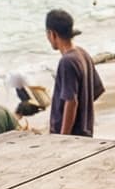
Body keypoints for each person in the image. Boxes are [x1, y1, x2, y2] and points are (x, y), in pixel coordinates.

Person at [44, 8, 103, 137]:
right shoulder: (83, 53)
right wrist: (83, 114)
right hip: (85, 131)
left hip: (72, 136)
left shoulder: (67, 62)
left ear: (52, 34)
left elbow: (71, 101)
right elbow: (97, 90)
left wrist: (63, 136)